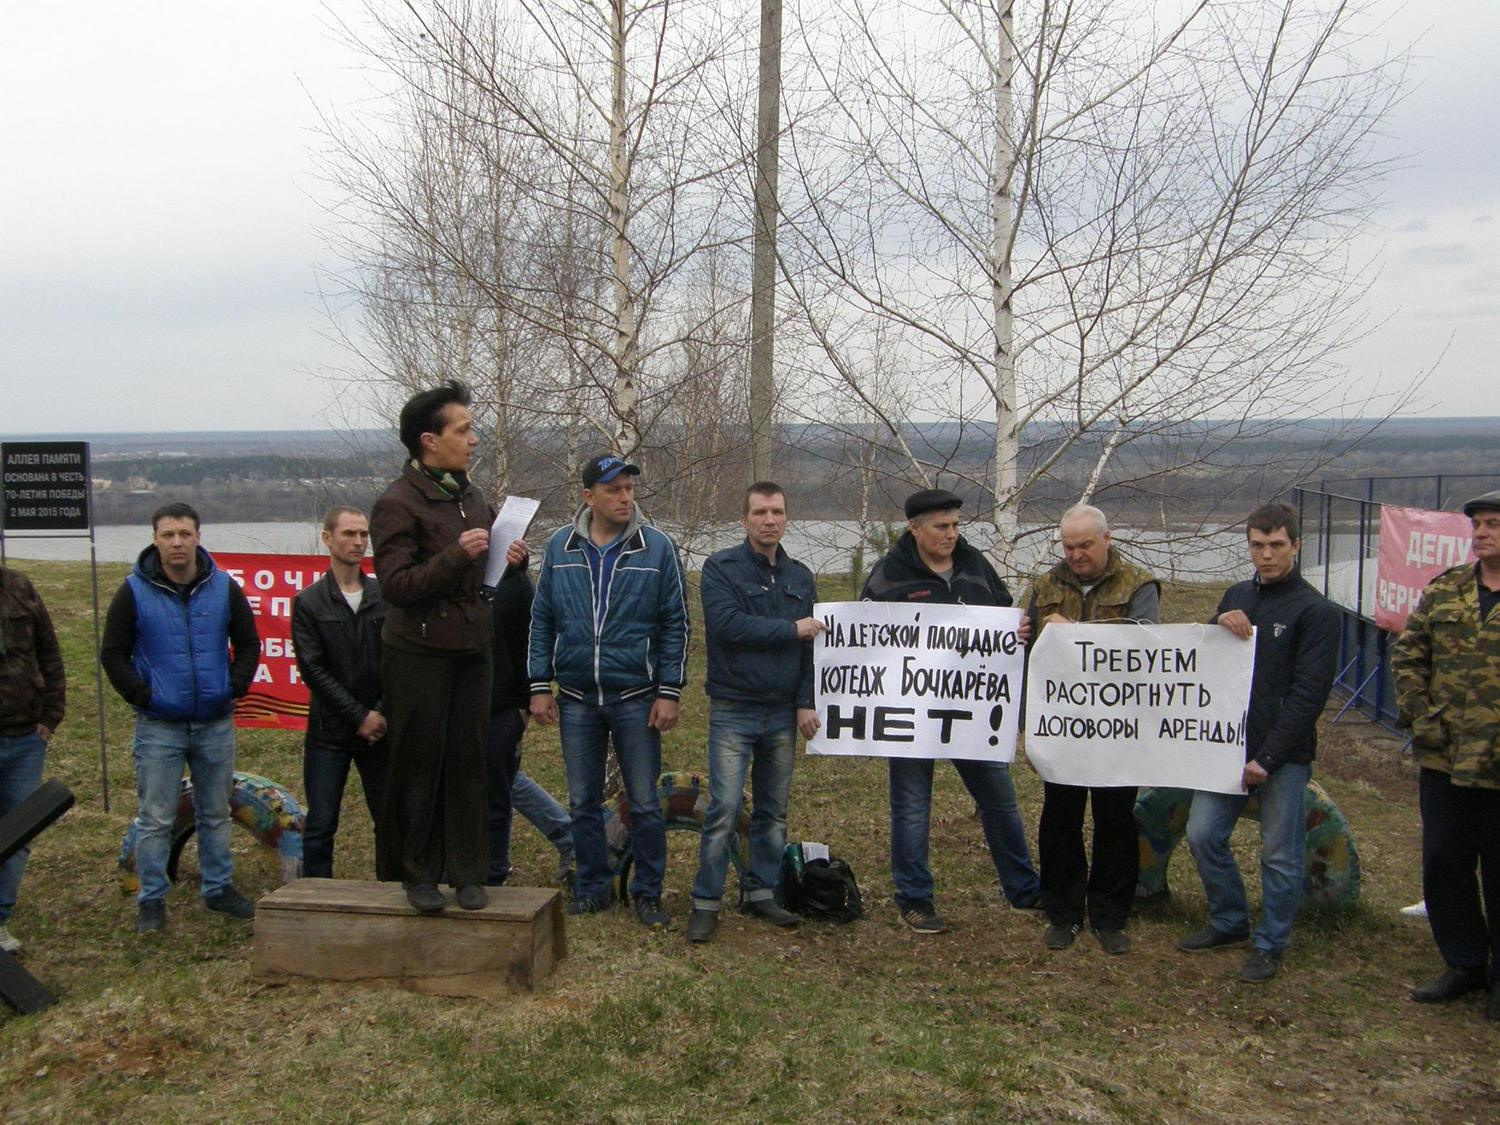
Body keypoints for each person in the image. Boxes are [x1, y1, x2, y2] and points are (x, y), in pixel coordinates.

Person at [369, 380, 525, 914]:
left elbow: (480, 570)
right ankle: (416, 873)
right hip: (418, 652)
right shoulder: (396, 503)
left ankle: (468, 873)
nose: (474, 440)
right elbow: (395, 587)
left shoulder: (470, 495)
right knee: (419, 764)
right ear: (428, 441)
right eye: (464, 430)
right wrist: (457, 556)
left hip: (472, 647)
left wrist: (509, 559)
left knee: (469, 764)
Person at [862, 488, 1041, 934]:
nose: (951, 534)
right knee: (911, 805)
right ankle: (915, 899)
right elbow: (861, 638)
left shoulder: (976, 564)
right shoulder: (888, 575)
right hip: (912, 712)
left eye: (956, 525)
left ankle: (1023, 889)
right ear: (914, 528)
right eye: (941, 526)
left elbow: (1005, 618)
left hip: (973, 710)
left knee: (999, 800)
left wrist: (1018, 628)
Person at [1176, 502, 1338, 982]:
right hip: (1225, 745)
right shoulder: (1238, 593)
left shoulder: (1316, 611)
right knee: (1203, 834)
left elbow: (1310, 696)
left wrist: (1267, 759)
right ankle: (1229, 921)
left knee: (1279, 852)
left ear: (1296, 546)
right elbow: (1204, 657)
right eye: (1257, 545)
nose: (1266, 555)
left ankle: (1271, 942)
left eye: (1276, 546)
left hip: (1283, 756)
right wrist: (1220, 618)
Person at [529, 453, 689, 929]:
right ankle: (593, 886)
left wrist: (670, 691)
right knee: (581, 801)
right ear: (588, 497)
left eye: (629, 489)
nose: (625, 498)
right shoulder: (560, 548)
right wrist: (539, 686)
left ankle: (647, 893)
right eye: (614, 490)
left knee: (643, 802)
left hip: (637, 697)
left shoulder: (656, 548)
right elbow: (541, 621)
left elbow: (676, 624)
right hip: (577, 698)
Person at [101, 502, 261, 934]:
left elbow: (248, 643)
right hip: (159, 726)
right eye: (168, 534)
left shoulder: (223, 587)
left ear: (197, 537)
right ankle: (151, 899)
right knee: (156, 817)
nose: (177, 542)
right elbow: (112, 653)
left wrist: (234, 685)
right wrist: (142, 694)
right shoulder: (133, 591)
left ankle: (218, 889)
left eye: (184, 534)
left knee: (215, 811)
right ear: (155, 538)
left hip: (214, 722)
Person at [686, 482, 824, 944]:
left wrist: (807, 699)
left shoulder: (801, 577)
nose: (770, 520)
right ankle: (706, 900)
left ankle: (761, 892)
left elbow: (813, 651)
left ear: (787, 518)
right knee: (724, 807)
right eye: (760, 512)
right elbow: (727, 627)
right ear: (744, 520)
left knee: (773, 811)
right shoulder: (720, 568)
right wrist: (791, 628)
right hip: (734, 708)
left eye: (778, 511)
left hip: (783, 712)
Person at [1027, 503, 1160, 955]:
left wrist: (1077, 631)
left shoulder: (1139, 585)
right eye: (1068, 546)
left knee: (1115, 819)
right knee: (1059, 818)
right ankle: (1062, 912)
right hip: (1062, 723)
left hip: (1118, 725)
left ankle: (1110, 914)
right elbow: (1032, 659)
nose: (1077, 554)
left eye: (1085, 545)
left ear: (1107, 539)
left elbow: (1145, 648)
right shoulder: (1046, 585)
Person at [1393, 488, 1500, 1022]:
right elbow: (1410, 655)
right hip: (1444, 757)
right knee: (1445, 863)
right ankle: (1464, 963)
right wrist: (1422, 714)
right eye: (1478, 524)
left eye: (1493, 524)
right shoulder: (1447, 591)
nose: (1481, 533)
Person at [291, 506, 389, 879]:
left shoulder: (384, 597)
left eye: (363, 534)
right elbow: (312, 669)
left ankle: (392, 893)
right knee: (321, 824)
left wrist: (378, 713)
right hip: (329, 733)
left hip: (381, 730)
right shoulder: (309, 602)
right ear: (328, 539)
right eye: (349, 534)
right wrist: (357, 715)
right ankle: (317, 895)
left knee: (389, 819)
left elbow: (397, 662)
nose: (358, 541)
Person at [0, 564, 66, 954]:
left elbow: (49, 652)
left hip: (26, 736)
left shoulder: (20, 587)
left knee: (19, 832)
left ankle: (1, 918)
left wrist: (50, 714)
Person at [483, 561, 534, 886]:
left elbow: (529, 642)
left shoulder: (515, 583)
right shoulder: (445, 576)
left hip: (501, 708)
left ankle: (494, 872)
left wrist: (523, 707)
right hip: (452, 706)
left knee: (497, 795)